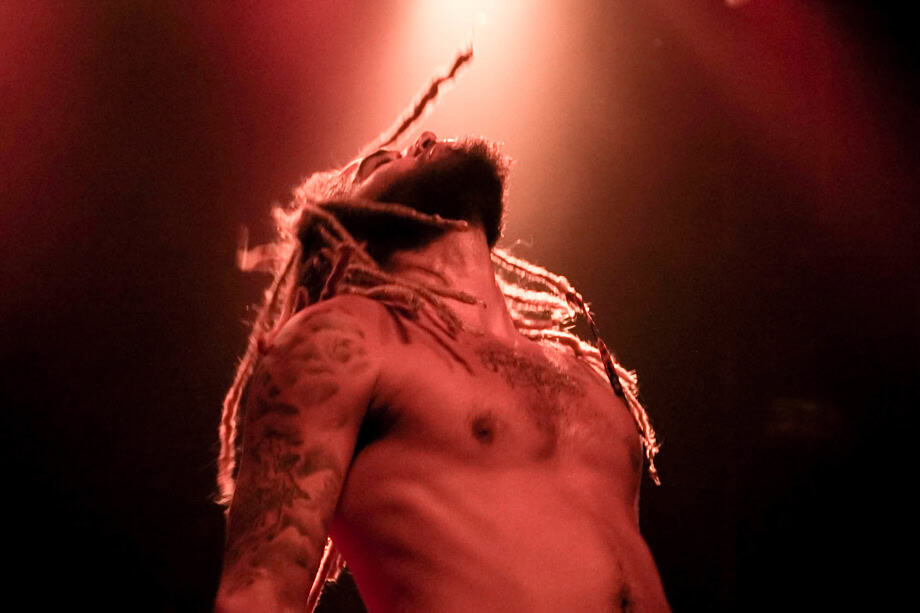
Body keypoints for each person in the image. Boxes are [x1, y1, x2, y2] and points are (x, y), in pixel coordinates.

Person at [214, 52, 668, 613]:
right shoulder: (344, 341)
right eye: (380, 163)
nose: (423, 138)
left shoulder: (589, 380)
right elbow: (258, 592)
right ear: (344, 235)